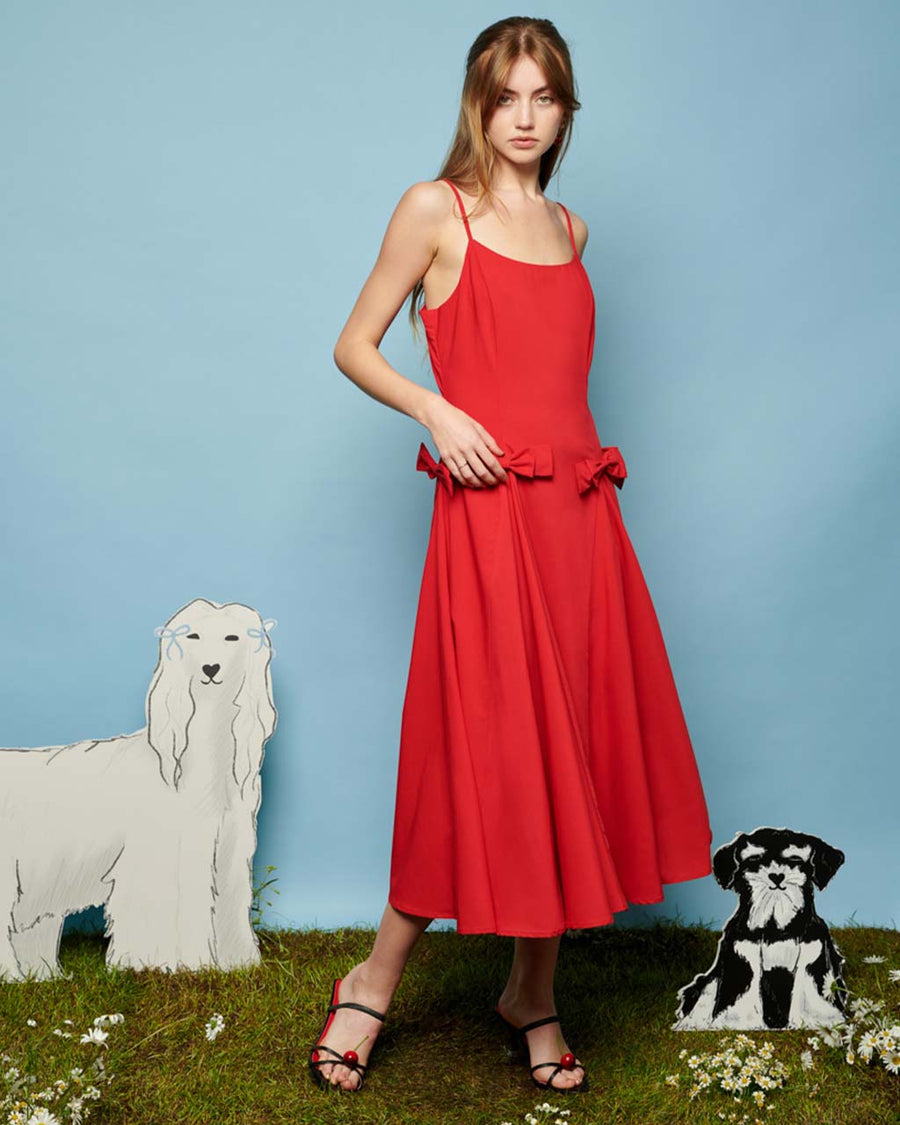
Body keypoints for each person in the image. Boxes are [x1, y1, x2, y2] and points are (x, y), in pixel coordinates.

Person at [311, 15, 714, 1095]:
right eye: (508, 98)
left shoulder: (573, 230)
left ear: (566, 110)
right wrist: (435, 414)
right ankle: (372, 982)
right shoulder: (435, 210)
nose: (527, 118)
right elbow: (354, 343)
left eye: (546, 99)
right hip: (488, 518)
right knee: (476, 746)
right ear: (478, 105)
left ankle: (533, 993)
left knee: (572, 741)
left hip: (582, 522)